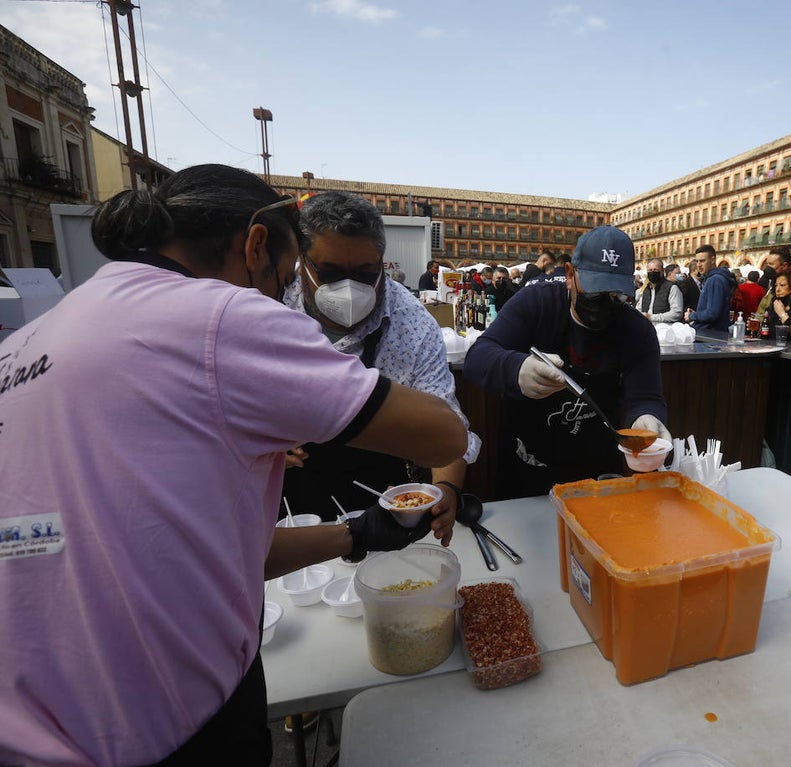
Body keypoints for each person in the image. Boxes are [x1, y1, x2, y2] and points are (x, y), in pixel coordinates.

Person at [0, 165, 467, 767]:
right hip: (159, 725)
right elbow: (444, 434)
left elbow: (179, 549)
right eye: (289, 274)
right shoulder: (224, 316)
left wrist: (354, 534)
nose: (279, 297)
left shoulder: (30, 340)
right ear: (256, 246)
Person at [281, 190, 480, 535]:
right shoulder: (271, 303)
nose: (348, 288)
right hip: (287, 500)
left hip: (382, 500)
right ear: (303, 260)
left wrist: (446, 489)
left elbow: (446, 425)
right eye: (329, 272)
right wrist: (259, 442)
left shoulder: (412, 324)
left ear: (382, 263)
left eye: (364, 272)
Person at [463, 226, 670, 499]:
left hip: (597, 470)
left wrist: (647, 418)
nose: (605, 302)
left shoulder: (636, 330)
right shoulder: (538, 302)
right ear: (571, 275)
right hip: (528, 465)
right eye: (594, 291)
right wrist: (517, 369)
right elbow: (477, 357)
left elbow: (646, 395)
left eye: (617, 295)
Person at [685, 244, 737, 335]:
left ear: (712, 260)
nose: (698, 265)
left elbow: (712, 313)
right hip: (712, 334)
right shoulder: (714, 278)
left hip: (709, 335)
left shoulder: (715, 280)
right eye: (697, 261)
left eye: (702, 261)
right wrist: (698, 313)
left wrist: (692, 316)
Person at [635, 257, 684, 324]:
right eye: (650, 270)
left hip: (665, 328)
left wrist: (651, 317)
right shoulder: (646, 289)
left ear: (662, 271)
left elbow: (676, 313)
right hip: (647, 327)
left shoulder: (672, 288)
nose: (652, 272)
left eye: (655, 270)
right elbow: (639, 309)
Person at [761, 267, 791, 339]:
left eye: (782, 285)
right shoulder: (776, 302)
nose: (777, 289)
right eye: (776, 285)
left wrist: (782, 314)